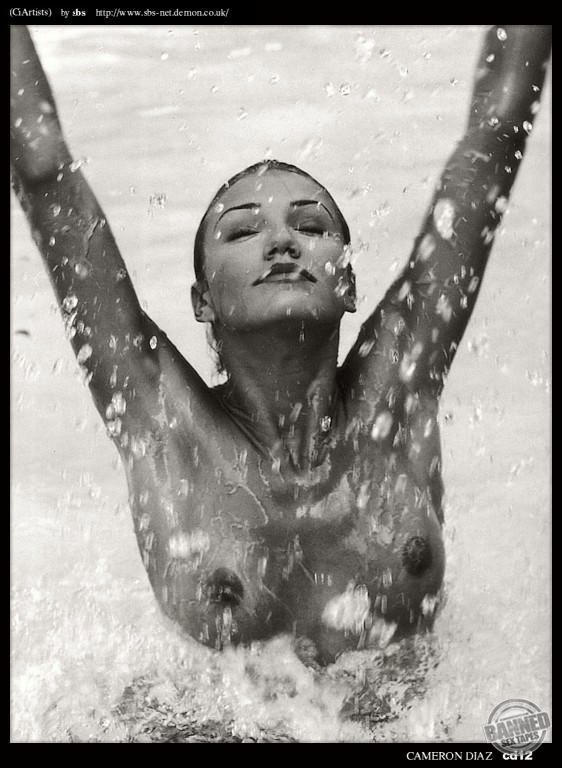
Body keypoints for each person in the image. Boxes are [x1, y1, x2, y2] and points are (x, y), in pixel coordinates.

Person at [10, 25, 551, 664]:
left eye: (311, 226)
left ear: (347, 283)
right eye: (243, 233)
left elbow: (495, 134)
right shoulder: (163, 418)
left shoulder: (397, 390)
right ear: (203, 302)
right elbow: (43, 168)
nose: (282, 243)